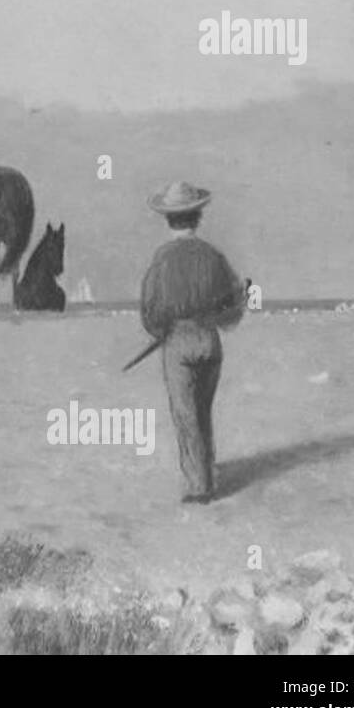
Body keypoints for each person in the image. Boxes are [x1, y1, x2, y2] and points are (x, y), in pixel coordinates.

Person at [140, 181, 246, 504]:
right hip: (209, 341)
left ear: (168, 220)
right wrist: (214, 320)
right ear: (197, 217)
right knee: (202, 410)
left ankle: (200, 487)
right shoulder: (213, 256)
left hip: (178, 342)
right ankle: (207, 473)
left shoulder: (162, 260)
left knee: (186, 416)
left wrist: (161, 331)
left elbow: (150, 310)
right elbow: (235, 303)